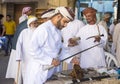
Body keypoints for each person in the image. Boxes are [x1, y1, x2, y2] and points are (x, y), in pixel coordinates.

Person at [24, 6, 79, 84]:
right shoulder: (43, 29)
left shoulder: (58, 31)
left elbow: (59, 50)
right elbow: (32, 50)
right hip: (39, 71)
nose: (66, 25)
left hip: (51, 71)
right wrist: (50, 60)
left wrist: (70, 59)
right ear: (58, 17)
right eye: (65, 22)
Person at [16, 16, 38, 84]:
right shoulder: (24, 32)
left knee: (36, 74)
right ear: (29, 24)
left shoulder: (39, 31)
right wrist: (18, 56)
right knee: (26, 73)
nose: (34, 25)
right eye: (33, 23)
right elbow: (19, 45)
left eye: (36, 23)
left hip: (36, 57)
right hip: (26, 58)